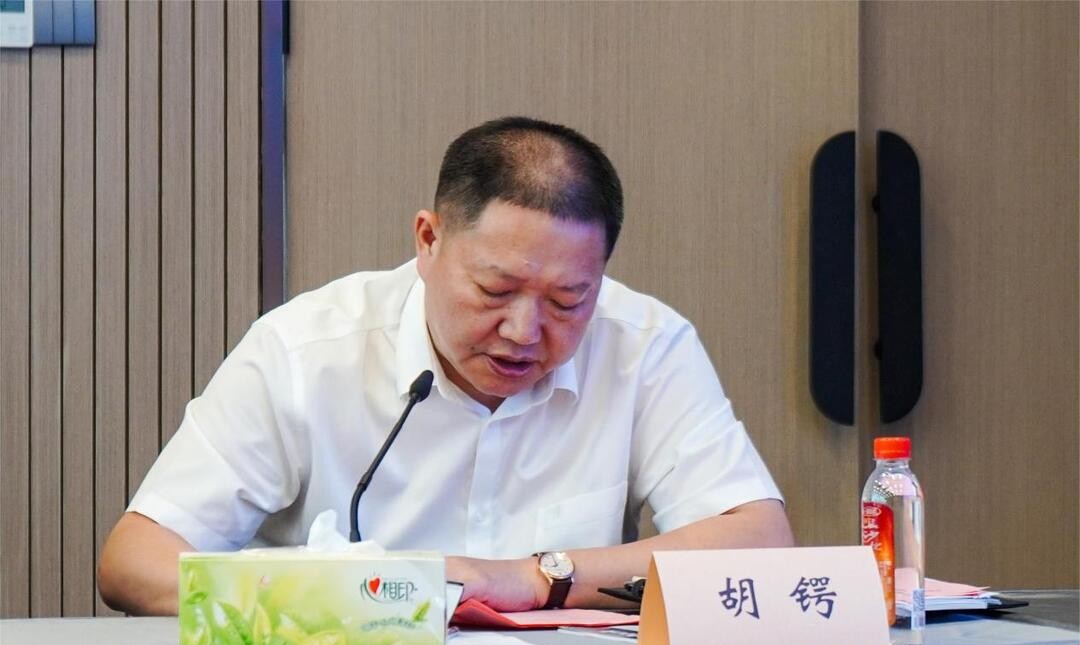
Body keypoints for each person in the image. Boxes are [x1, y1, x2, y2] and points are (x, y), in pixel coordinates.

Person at [98, 116, 793, 616]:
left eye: (567, 300)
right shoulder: (306, 350)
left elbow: (759, 543)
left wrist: (536, 578)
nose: (524, 331)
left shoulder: (644, 345)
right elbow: (135, 561)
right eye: (494, 290)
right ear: (428, 241)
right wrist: (349, 602)